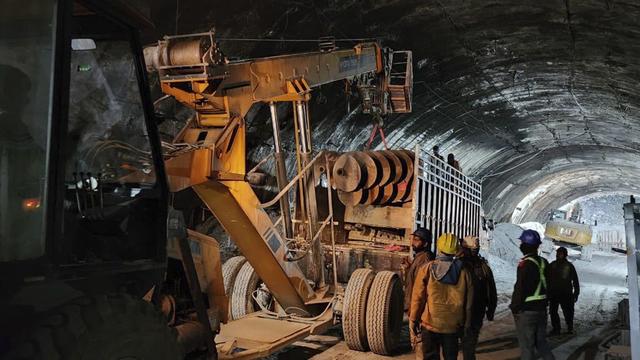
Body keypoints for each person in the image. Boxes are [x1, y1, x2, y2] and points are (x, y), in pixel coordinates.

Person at [410, 233, 473, 360]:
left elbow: (418, 298)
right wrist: (466, 325)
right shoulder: (464, 272)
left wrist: (413, 319)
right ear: (456, 250)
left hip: (430, 324)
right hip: (452, 327)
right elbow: (469, 303)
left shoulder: (427, 269)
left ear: (439, 248)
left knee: (430, 357)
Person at [510, 229, 555, 360]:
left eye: (522, 243)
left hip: (527, 311)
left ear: (525, 245)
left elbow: (520, 288)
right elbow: (550, 285)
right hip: (541, 309)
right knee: (541, 344)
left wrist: (515, 307)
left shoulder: (525, 264)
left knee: (527, 347)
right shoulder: (544, 262)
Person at [459, 236, 497, 360]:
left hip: (461, 312)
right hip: (475, 312)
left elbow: (491, 291)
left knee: (461, 346)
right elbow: (491, 291)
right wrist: (490, 310)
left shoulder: (458, 265)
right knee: (469, 345)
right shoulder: (483, 267)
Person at [403, 228, 435, 358]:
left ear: (425, 244)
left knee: (420, 343)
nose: (413, 243)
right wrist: (409, 267)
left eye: (417, 240)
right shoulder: (420, 257)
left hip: (420, 310)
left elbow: (421, 289)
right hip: (416, 308)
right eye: (413, 239)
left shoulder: (424, 259)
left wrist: (415, 315)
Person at [548, 247, 580, 335]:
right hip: (554, 293)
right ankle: (556, 328)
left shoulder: (569, 266)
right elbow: (547, 279)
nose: (558, 255)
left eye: (560, 253)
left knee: (568, 312)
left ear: (565, 255)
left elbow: (575, 280)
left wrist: (576, 293)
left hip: (566, 294)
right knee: (553, 312)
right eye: (558, 253)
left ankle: (570, 327)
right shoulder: (552, 265)